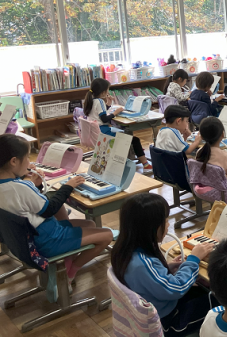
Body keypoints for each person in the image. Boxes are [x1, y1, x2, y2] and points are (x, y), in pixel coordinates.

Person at [0, 134, 113, 281]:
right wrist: (68, 186)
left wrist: (33, 183)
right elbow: (49, 210)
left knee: (90, 224)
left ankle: (67, 261)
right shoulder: (19, 188)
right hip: (46, 240)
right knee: (107, 235)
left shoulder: (11, 186)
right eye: (27, 157)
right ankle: (70, 272)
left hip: (27, 239)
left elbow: (22, 201)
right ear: (14, 161)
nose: (29, 162)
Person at [111, 193, 215, 336]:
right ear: (151, 227)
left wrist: (168, 267)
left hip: (160, 307)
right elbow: (176, 288)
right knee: (219, 300)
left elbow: (147, 280)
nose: (168, 224)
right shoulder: (142, 264)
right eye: (165, 220)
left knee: (203, 290)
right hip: (168, 322)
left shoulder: (125, 250)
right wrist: (194, 259)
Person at [84, 78, 152, 171]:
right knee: (135, 140)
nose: (108, 91)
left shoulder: (91, 100)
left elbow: (99, 113)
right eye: (108, 89)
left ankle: (135, 155)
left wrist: (108, 104)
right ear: (103, 92)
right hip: (104, 133)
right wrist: (116, 112)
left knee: (124, 133)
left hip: (97, 133)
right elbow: (104, 119)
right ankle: (145, 164)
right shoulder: (100, 101)